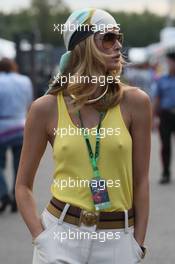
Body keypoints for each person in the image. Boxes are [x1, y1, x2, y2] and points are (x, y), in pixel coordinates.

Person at [15, 8, 151, 264]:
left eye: (118, 37)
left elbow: (142, 181)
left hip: (118, 241)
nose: (118, 45)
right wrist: (42, 239)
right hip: (60, 237)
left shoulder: (136, 102)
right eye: (108, 38)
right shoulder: (45, 108)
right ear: (84, 46)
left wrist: (137, 245)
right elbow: (22, 186)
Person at [0, 58, 33, 212]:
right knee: (18, 166)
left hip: (2, 127)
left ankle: (3, 193)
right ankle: (16, 196)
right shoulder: (25, 80)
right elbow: (29, 103)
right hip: (21, 127)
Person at [152, 51, 175, 184]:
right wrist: (153, 118)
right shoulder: (161, 79)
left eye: (171, 62)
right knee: (165, 145)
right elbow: (157, 100)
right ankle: (166, 172)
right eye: (169, 62)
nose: (169, 64)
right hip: (166, 115)